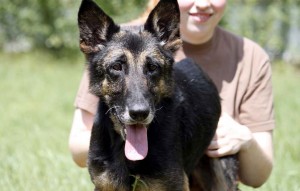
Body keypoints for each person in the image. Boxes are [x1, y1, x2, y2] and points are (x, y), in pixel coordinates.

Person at [69, 0, 275, 188]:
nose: (202, 4)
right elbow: (79, 150)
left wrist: (245, 138)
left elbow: (259, 176)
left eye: (151, 68)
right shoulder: (112, 43)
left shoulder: (251, 57)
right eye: (117, 68)